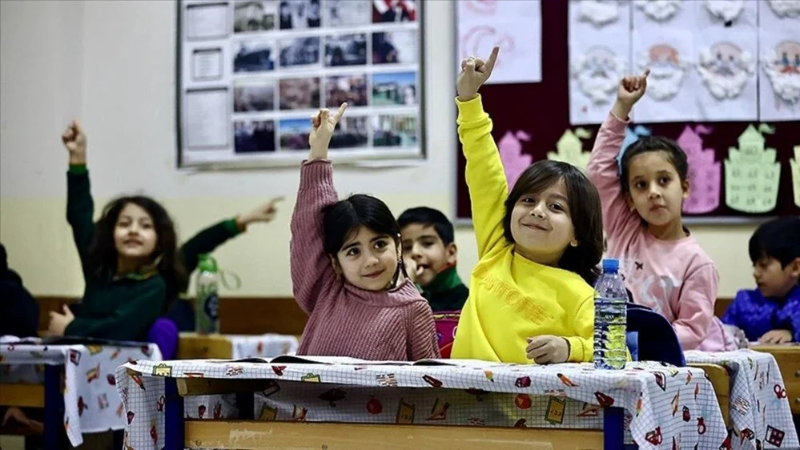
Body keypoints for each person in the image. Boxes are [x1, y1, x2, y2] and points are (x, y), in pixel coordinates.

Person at [450, 47, 603, 364]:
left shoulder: (579, 293)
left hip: (526, 412)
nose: (537, 211)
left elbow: (619, 353)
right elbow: (484, 170)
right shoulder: (497, 249)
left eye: (557, 207)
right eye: (529, 200)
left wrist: (570, 348)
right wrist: (468, 100)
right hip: (459, 404)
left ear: (577, 234)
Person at [585, 70, 734, 351]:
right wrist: (622, 107)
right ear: (629, 199)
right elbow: (597, 172)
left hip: (664, 368)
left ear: (685, 187)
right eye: (641, 185)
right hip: (614, 357)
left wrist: (637, 343)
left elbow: (691, 329)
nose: (653, 192)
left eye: (664, 180)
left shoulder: (698, 264)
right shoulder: (622, 227)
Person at [290, 103, 439, 360]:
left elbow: (429, 386)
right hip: (303, 402)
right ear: (335, 263)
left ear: (399, 246)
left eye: (380, 245)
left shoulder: (413, 309)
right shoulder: (327, 290)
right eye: (353, 251)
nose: (370, 260)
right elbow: (309, 229)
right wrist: (318, 152)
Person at [723, 217, 800, 344]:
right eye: (754, 265)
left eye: (764, 265)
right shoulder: (743, 303)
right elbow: (722, 334)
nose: (755, 273)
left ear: (795, 267)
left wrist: (792, 333)